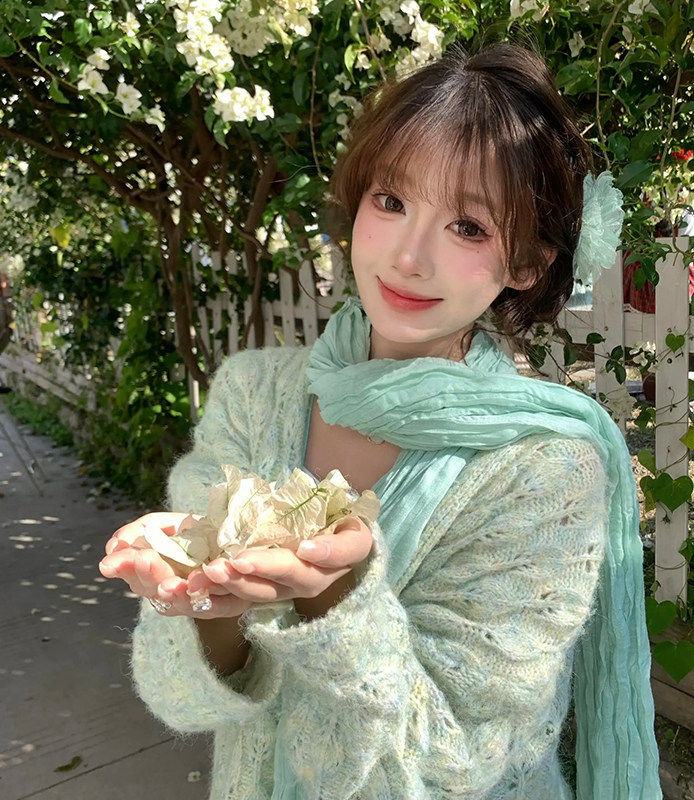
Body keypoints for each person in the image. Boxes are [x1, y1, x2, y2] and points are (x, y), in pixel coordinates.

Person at [98, 38, 661, 800]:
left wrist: (334, 600)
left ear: (527, 263)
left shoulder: (544, 470)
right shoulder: (254, 394)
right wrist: (201, 596)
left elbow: (458, 759)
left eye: (468, 227)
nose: (407, 257)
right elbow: (185, 694)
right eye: (390, 201)